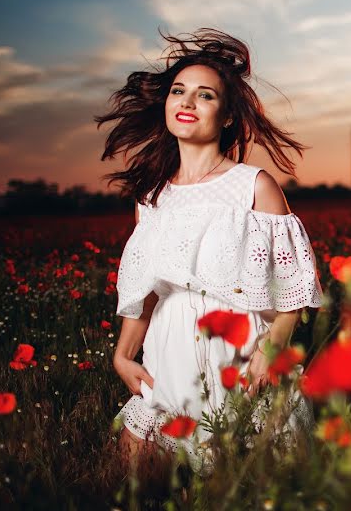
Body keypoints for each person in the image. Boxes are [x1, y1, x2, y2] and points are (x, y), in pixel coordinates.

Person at [94, 28, 324, 479]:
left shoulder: (254, 187)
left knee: (242, 485)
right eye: (179, 91)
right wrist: (123, 355)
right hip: (167, 358)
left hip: (236, 360)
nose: (186, 102)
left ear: (226, 118)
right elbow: (147, 290)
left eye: (205, 96)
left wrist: (268, 354)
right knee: (131, 483)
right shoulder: (151, 196)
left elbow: (291, 295)